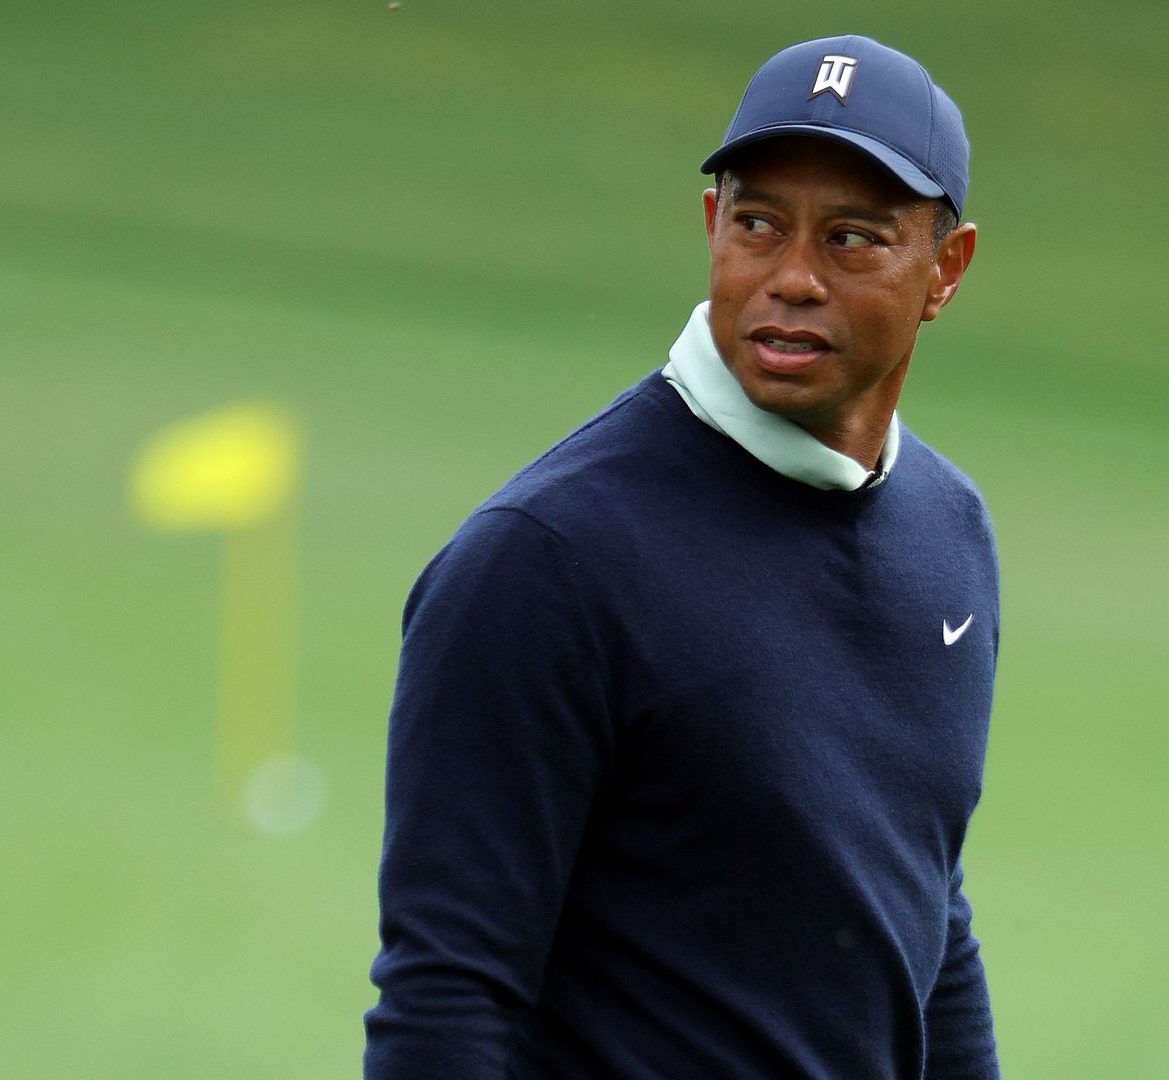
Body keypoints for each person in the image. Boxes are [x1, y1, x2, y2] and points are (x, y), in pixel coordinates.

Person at [363, 34, 999, 1080]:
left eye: (853, 240)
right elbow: (447, 995)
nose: (792, 279)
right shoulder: (547, 564)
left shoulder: (949, 531)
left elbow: (923, 910)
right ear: (712, 226)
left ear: (946, 268)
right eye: (758, 224)